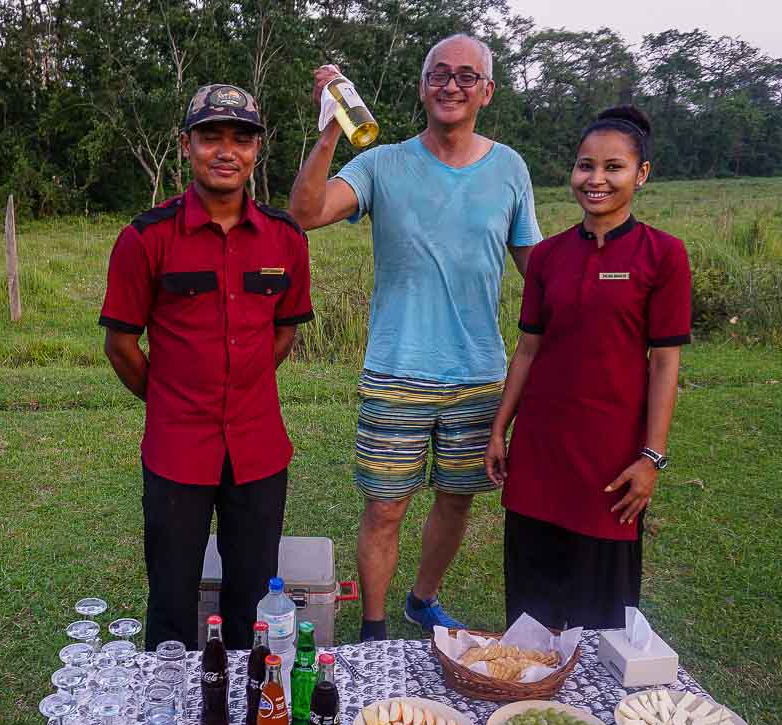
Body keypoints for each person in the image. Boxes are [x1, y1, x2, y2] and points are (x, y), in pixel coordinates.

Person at [289, 34, 542, 641]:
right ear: (423, 84)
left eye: (465, 76)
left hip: (480, 372)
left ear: (487, 90)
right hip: (397, 367)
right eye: (438, 74)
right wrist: (330, 128)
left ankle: (422, 600)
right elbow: (304, 213)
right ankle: (374, 628)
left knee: (457, 499)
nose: (450, 85)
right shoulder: (382, 163)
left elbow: (539, 268)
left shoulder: (509, 168)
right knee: (385, 505)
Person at [99, 84, 314, 651]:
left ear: (257, 150)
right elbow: (120, 345)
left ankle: (251, 720)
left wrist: (238, 389)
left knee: (254, 604)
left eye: (240, 138)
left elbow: (284, 329)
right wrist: (173, 399)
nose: (226, 151)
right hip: (176, 450)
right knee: (171, 600)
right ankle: (168, 719)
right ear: (185, 145)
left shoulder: (286, 238)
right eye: (210, 136)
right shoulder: (144, 238)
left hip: (259, 449)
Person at [485, 106, 691, 630]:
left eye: (613, 167)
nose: (595, 179)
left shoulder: (662, 255)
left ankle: (593, 709)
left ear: (641, 174)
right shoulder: (549, 256)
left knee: (601, 619)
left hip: (610, 458)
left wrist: (652, 457)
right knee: (530, 612)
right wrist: (498, 429)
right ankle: (526, 699)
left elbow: (665, 363)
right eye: (585, 166)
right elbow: (528, 349)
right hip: (540, 451)